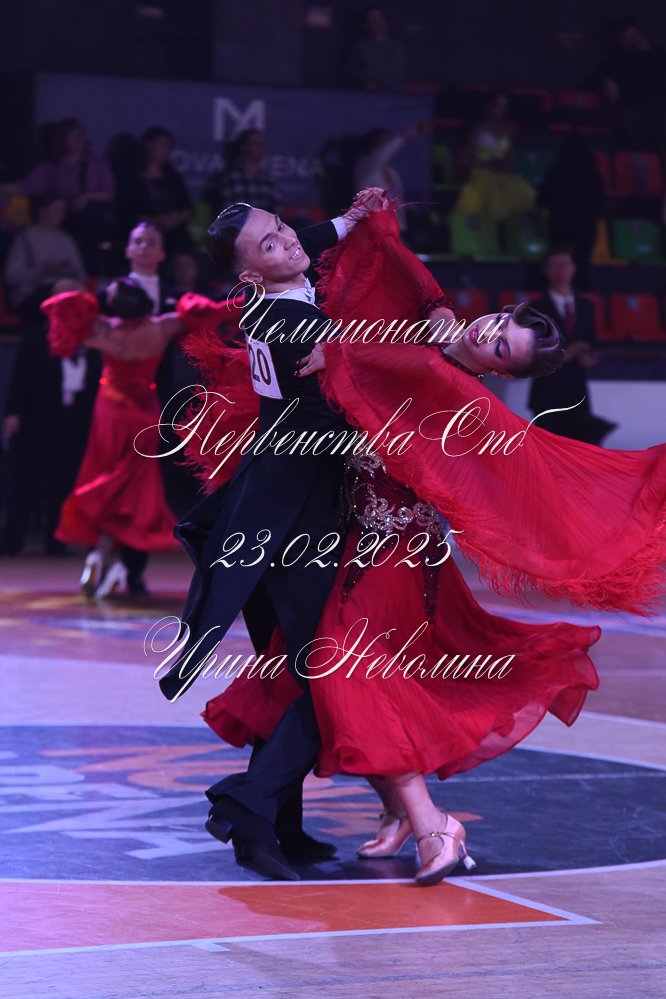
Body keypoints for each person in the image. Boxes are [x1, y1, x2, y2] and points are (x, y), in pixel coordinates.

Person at [180, 208, 666, 886]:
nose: (487, 335)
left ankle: (411, 821)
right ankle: (377, 815)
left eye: (501, 349)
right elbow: (404, 279)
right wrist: (371, 229)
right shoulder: (427, 332)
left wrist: (346, 350)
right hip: (341, 537)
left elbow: (406, 371)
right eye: (497, 324)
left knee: (343, 674)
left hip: (390, 558)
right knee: (318, 676)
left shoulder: (456, 393)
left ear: (501, 372)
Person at [156, 190, 390, 882]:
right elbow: (347, 404)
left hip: (268, 506)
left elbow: (302, 243)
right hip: (294, 520)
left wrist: (348, 221)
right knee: (329, 676)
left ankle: (278, 826)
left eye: (282, 227)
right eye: (271, 242)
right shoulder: (294, 323)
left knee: (296, 671)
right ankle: (250, 807)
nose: (289, 240)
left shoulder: (269, 293)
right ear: (251, 272)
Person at [41, 278, 183, 597]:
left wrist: (87, 301)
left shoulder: (101, 330)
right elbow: (210, 311)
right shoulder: (161, 327)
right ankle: (113, 559)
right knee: (131, 488)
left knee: (106, 480)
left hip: (110, 410)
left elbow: (57, 307)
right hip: (144, 412)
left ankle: (103, 554)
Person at [1, 278, 100, 556]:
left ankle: (55, 540)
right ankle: (13, 540)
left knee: (65, 481)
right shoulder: (37, 337)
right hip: (39, 417)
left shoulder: (92, 338)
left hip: (75, 418)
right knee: (27, 480)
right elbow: (21, 378)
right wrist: (13, 413)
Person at [528, 247, 616, 445]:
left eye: (564, 265)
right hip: (547, 394)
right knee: (548, 451)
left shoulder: (586, 306)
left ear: (574, 269)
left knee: (580, 452)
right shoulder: (536, 309)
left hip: (577, 392)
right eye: (555, 266)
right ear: (546, 271)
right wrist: (566, 354)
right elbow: (533, 351)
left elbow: (592, 342)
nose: (560, 271)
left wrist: (590, 357)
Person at [19, 119, 115, 272]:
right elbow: (26, 187)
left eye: (81, 134)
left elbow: (109, 194)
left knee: (93, 219)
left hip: (91, 222)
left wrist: (87, 197)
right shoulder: (52, 168)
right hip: (63, 220)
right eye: (73, 136)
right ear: (63, 140)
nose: (79, 139)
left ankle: (93, 271)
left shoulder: (96, 164)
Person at [537, 134, 606, 288]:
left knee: (559, 264)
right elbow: (601, 205)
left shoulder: (556, 170)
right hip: (585, 227)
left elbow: (542, 199)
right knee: (581, 265)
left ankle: (559, 295)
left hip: (560, 225)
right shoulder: (592, 174)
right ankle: (580, 293)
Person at [455, 94, 536, 221]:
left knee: (521, 189)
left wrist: (503, 164)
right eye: (498, 106)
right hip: (481, 174)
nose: (502, 110)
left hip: (502, 175)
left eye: (505, 107)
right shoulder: (478, 130)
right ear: (489, 107)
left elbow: (510, 158)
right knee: (483, 188)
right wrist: (485, 163)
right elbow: (463, 159)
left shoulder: (509, 131)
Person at [4, 193, 86, 318]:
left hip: (64, 292)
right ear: (43, 211)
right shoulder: (25, 238)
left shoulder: (66, 240)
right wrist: (42, 269)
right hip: (30, 296)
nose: (62, 214)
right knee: (61, 292)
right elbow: (11, 277)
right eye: (58, 210)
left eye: (63, 211)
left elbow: (82, 275)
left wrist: (68, 271)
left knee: (72, 292)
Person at [204, 130, 278, 219]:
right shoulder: (225, 179)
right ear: (243, 146)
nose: (259, 147)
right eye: (255, 143)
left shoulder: (269, 182)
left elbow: (277, 214)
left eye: (262, 144)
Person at [346, 5, 407, 92]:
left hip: (391, 95)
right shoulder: (361, 47)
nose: (377, 23)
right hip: (366, 95)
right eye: (372, 20)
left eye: (379, 19)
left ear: (385, 21)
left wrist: (379, 84)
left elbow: (399, 76)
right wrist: (365, 81)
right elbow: (351, 72)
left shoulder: (396, 47)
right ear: (366, 25)